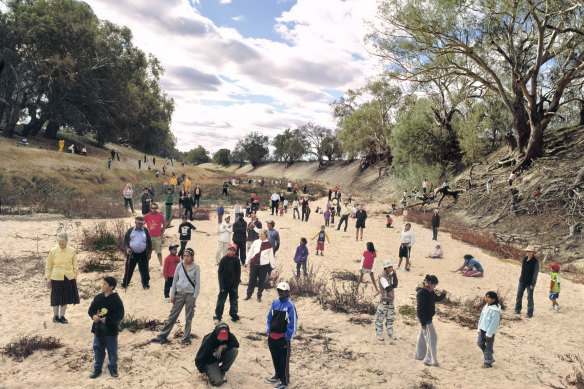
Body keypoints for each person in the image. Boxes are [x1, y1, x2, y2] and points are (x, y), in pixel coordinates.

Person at [152, 248, 200, 344]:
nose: (185, 258)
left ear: (192, 257)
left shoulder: (196, 267)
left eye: (188, 256)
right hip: (179, 294)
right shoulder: (179, 265)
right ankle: (162, 336)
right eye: (184, 256)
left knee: (188, 317)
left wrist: (194, 297)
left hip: (190, 295)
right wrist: (172, 294)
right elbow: (174, 281)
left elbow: (198, 284)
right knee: (172, 316)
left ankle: (186, 338)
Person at [88, 276, 125, 379]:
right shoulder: (98, 297)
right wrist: (93, 316)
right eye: (103, 283)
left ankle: (113, 368)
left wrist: (107, 319)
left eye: (105, 284)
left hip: (111, 330)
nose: (102, 286)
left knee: (112, 349)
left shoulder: (116, 299)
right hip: (98, 329)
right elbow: (91, 310)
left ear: (111, 287)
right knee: (98, 348)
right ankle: (97, 368)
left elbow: (120, 315)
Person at [265, 282, 298, 389]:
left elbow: (293, 322)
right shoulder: (274, 303)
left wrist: (287, 336)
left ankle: (284, 381)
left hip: (282, 338)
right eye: (279, 290)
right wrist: (269, 330)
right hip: (272, 337)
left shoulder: (290, 306)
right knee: (275, 358)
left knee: (284, 360)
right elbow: (269, 317)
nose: (280, 293)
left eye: (283, 291)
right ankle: (277, 375)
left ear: (287, 292)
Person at [46, 232, 80, 324]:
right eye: (59, 241)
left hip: (68, 277)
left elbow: (75, 265)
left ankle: (62, 316)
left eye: (63, 241)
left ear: (66, 241)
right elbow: (48, 265)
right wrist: (48, 279)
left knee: (65, 298)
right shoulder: (53, 251)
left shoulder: (72, 250)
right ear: (57, 241)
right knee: (56, 297)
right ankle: (55, 316)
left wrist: (75, 276)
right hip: (56, 277)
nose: (61, 243)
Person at [415, 275, 447, 367]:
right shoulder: (422, 293)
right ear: (429, 283)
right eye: (434, 285)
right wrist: (423, 323)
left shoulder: (429, 290)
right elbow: (420, 309)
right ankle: (429, 360)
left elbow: (436, 299)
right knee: (432, 338)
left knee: (422, 338)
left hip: (427, 319)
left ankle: (419, 356)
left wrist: (443, 294)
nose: (435, 287)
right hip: (426, 320)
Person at [122, 216, 153, 289]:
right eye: (139, 223)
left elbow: (149, 242)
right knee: (129, 269)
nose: (140, 224)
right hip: (132, 253)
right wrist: (127, 248)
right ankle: (125, 283)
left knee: (144, 270)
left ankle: (145, 284)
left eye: (142, 223)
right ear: (135, 222)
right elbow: (126, 241)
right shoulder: (130, 230)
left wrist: (150, 252)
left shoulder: (145, 230)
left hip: (143, 253)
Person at [245, 230, 275, 302]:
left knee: (261, 281)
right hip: (254, 264)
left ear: (266, 235)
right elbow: (250, 252)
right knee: (252, 279)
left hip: (264, 265)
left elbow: (271, 256)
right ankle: (249, 295)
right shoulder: (255, 242)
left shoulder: (269, 244)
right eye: (259, 234)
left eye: (262, 234)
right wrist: (247, 261)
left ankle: (259, 296)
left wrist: (273, 266)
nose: (260, 235)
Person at [214, 243, 241, 323]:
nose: (231, 252)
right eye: (230, 250)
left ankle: (234, 315)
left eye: (233, 250)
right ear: (227, 250)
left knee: (234, 302)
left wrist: (236, 286)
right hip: (224, 285)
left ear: (235, 251)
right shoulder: (223, 259)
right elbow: (220, 273)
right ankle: (218, 316)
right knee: (220, 302)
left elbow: (238, 274)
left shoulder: (236, 260)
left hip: (233, 285)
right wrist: (221, 286)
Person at [477, 291, 501, 368]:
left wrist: (489, 334)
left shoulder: (495, 311)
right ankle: (489, 356)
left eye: (489, 297)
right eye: (486, 297)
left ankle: (487, 362)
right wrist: (479, 328)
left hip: (489, 332)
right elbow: (481, 318)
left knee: (488, 346)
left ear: (493, 300)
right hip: (482, 329)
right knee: (480, 343)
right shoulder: (486, 306)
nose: (486, 299)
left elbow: (494, 323)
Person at [376, 260, 398, 341]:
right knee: (380, 318)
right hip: (384, 300)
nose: (392, 268)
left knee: (390, 318)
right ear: (387, 268)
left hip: (391, 300)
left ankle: (390, 333)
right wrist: (393, 284)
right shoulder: (382, 276)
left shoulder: (389, 275)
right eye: (391, 267)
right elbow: (388, 288)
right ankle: (379, 333)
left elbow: (395, 285)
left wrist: (394, 275)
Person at [514, 245, 539, 318]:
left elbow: (535, 274)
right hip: (522, 280)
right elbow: (523, 270)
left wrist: (533, 284)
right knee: (519, 295)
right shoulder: (524, 259)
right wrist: (521, 278)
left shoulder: (535, 262)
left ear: (533, 252)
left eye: (530, 251)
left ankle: (529, 313)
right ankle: (517, 309)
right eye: (527, 251)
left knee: (529, 297)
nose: (528, 253)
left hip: (530, 282)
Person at [144, 202, 166, 271]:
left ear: (157, 208)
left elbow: (164, 225)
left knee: (159, 251)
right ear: (150, 209)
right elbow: (141, 225)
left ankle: (161, 265)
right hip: (149, 237)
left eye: (155, 208)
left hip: (157, 236)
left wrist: (162, 234)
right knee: (147, 252)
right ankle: (145, 266)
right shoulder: (147, 216)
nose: (154, 209)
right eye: (152, 208)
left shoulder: (160, 216)